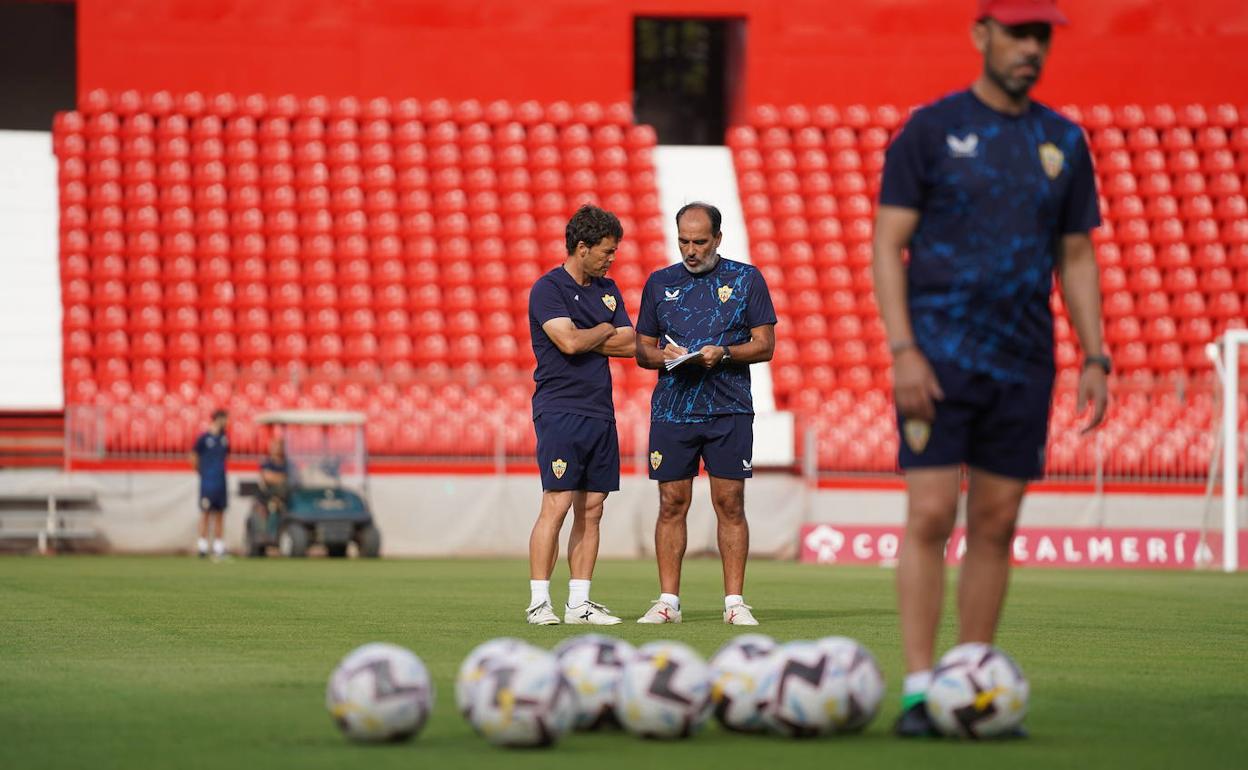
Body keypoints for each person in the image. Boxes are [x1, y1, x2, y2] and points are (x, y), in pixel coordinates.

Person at [872, 0, 1109, 737]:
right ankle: (918, 690)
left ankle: (969, 682)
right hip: (937, 361)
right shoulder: (932, 131)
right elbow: (887, 243)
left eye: (1041, 36)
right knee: (933, 514)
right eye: (1016, 33)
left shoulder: (1062, 141)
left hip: (1024, 361)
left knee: (998, 522)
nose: (1030, 48)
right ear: (981, 35)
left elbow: (1076, 254)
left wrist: (1094, 353)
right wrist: (904, 349)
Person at [633, 202, 776, 625]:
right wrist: (664, 356)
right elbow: (642, 349)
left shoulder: (747, 279)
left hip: (728, 408)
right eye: (683, 241)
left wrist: (725, 353)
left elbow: (765, 345)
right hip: (673, 410)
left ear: (718, 238)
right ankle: (667, 602)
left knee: (729, 502)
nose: (690, 250)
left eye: (699, 241)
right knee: (671, 502)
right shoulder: (659, 283)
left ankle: (734, 603)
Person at [525, 204, 636, 625]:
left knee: (592, 508)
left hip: (600, 412)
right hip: (560, 409)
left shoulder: (608, 290)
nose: (612, 259)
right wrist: (605, 329)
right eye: (606, 252)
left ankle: (579, 604)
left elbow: (629, 343)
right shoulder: (547, 289)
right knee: (555, 504)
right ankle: (539, 601)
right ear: (582, 247)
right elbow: (568, 343)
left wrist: (597, 332)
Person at [190, 409, 230, 559]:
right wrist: (202, 472)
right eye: (225, 419)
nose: (227, 422)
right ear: (218, 419)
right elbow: (193, 456)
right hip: (207, 481)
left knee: (220, 513)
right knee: (205, 513)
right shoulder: (204, 438)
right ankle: (202, 546)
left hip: (221, 481)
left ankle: (218, 547)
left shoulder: (224, 438)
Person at [258, 437, 290, 526]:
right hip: (270, 494)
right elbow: (268, 477)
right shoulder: (267, 463)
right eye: (275, 446)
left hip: (286, 494)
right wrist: (283, 477)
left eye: (279, 445)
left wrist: (278, 477)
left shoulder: (288, 463)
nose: (277, 448)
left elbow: (294, 477)